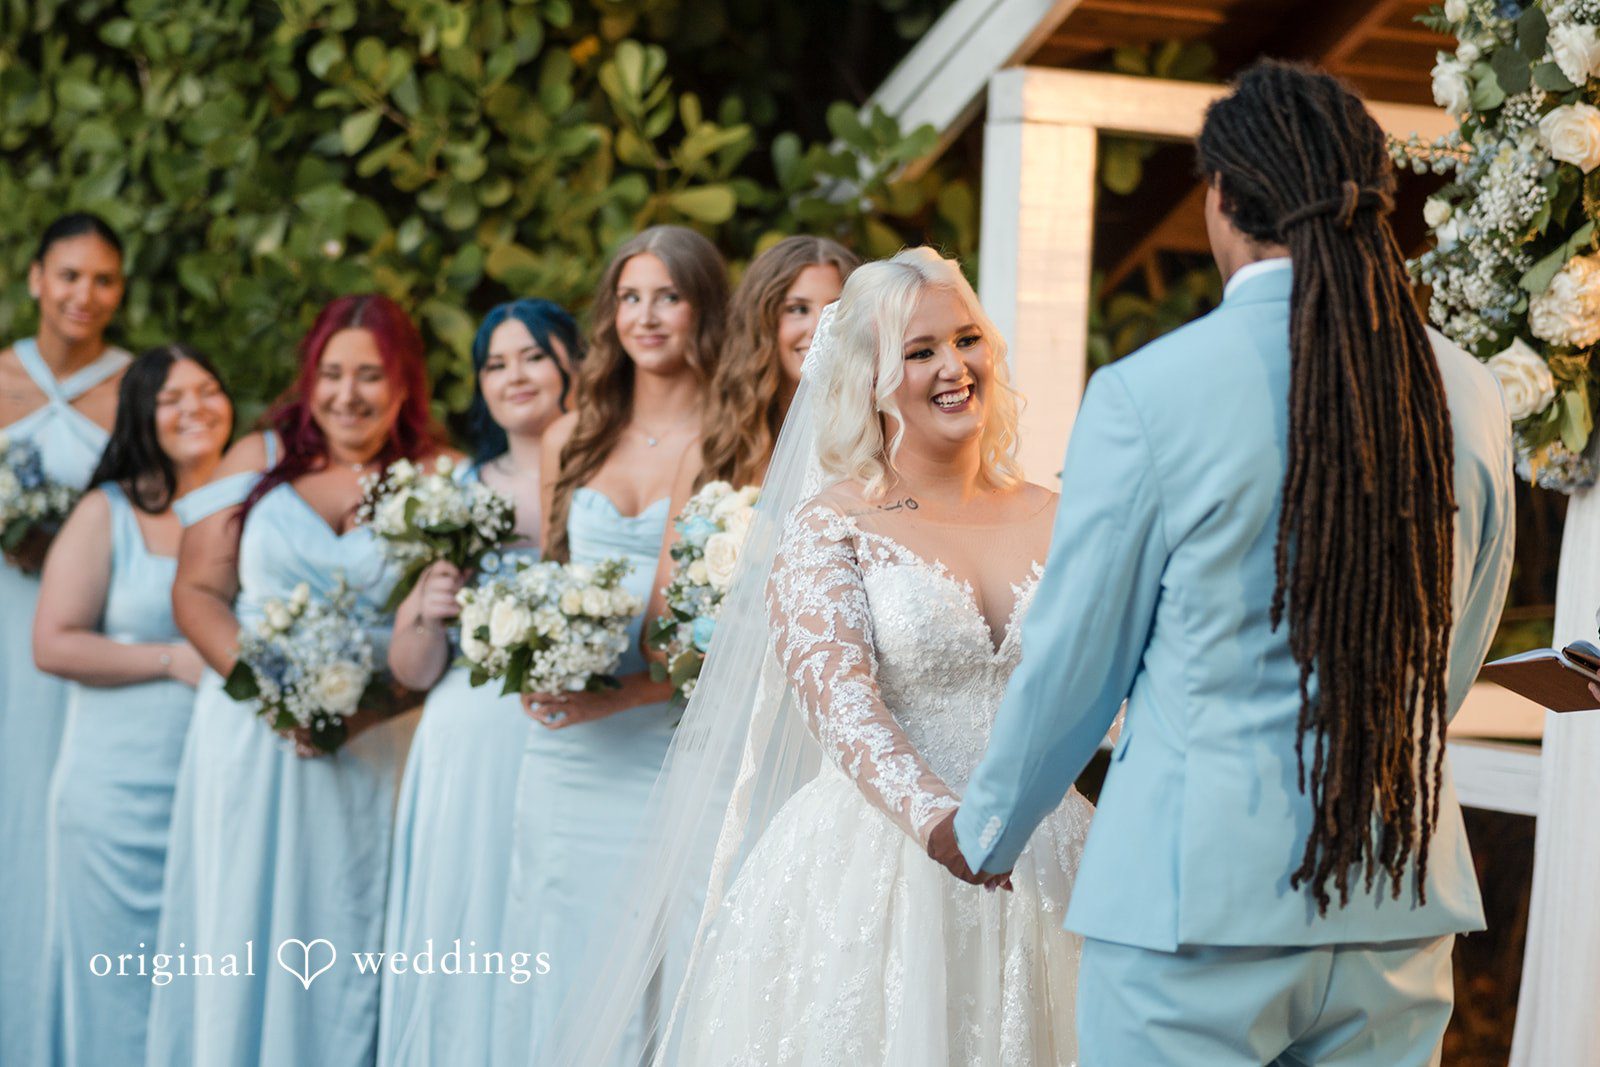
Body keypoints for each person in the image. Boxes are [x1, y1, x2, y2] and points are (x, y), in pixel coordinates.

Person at [947, 60, 1515, 1065]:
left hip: (1191, 902)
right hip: (1392, 890)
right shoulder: (1469, 392)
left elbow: (1079, 656)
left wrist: (988, 826)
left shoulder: (1148, 392)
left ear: (1219, 199)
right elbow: (1451, 648)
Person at [550, 247, 1093, 1065]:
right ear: (871, 375)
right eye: (920, 351)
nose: (954, 367)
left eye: (967, 339)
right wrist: (941, 824)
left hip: (1052, 858)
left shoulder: (1064, 513)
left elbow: (1108, 678)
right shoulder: (833, 520)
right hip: (886, 861)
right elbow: (839, 700)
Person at [145, 294, 450, 1066]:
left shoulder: (437, 478)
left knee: (348, 927)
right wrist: (273, 694)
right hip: (250, 739)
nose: (348, 393)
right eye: (332, 372)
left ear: (406, 383)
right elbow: (196, 591)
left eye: (371, 375)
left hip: (372, 746)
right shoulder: (259, 456)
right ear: (309, 379)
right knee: (240, 925)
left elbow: (449, 630)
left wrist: (354, 715)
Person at [492, 225, 728, 1064]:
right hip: (566, 753)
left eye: (668, 295)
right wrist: (532, 651)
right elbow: (555, 579)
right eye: (630, 297)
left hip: (667, 745)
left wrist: (628, 692)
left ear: (702, 306)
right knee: (561, 952)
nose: (647, 315)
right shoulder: (573, 435)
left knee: (665, 964)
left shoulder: (737, 439)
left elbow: (726, 628)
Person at [378, 298, 582, 1066]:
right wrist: (427, 614)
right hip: (467, 736)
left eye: (531, 355)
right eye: (494, 364)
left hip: (572, 726)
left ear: (575, 363)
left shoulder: (610, 469)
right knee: (465, 920)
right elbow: (411, 669)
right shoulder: (455, 487)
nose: (513, 376)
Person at [32, 345, 233, 1066]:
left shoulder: (252, 507)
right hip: (114, 799)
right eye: (172, 399)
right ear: (143, 417)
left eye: (208, 391)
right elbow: (53, 642)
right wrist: (170, 659)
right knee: (114, 985)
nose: (195, 409)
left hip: (215, 790)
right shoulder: (106, 510)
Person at [0, 212, 129, 1064]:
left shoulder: (135, 387)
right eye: (70, 275)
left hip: (76, 626)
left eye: (104, 280)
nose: (85, 294)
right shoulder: (0, 374)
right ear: (38, 278)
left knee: (51, 807)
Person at [701, 235, 858, 486]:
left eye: (835, 310)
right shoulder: (721, 438)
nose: (819, 329)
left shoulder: (876, 441)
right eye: (798, 309)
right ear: (760, 324)